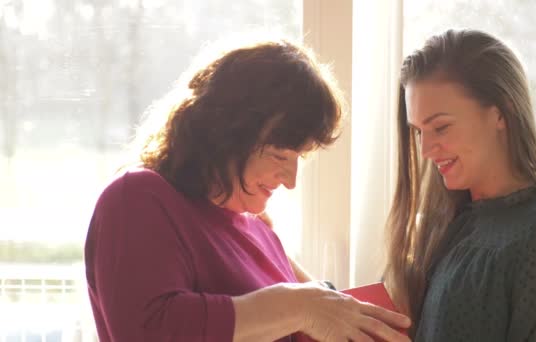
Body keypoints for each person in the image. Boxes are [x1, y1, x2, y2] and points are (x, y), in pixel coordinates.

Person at [84, 39, 411, 342]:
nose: (290, 180)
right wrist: (297, 306)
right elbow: (151, 329)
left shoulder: (255, 226)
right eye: (279, 155)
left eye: (299, 157)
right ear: (225, 133)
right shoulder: (139, 198)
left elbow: (315, 310)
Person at [383, 29, 536, 341]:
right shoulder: (450, 224)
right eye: (418, 132)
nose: (426, 151)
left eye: (441, 127)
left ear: (501, 112)